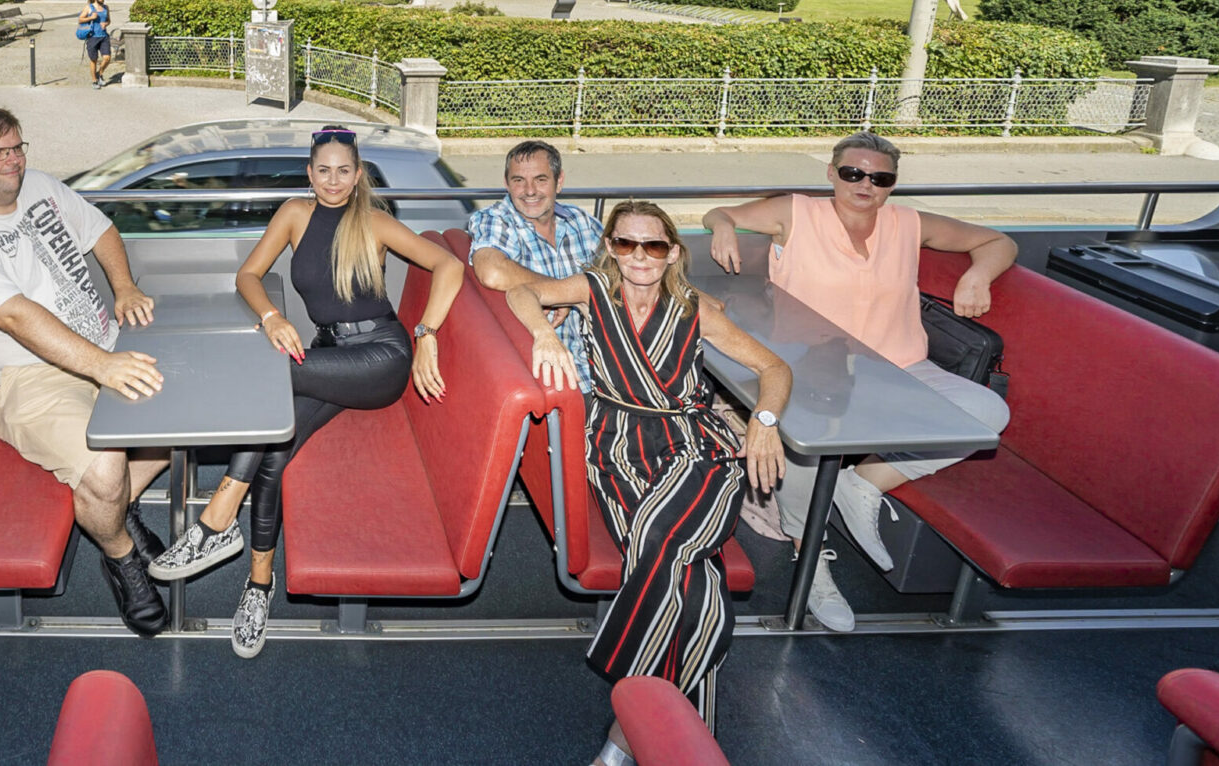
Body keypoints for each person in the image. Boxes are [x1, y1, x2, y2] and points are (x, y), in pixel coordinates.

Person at [145, 126, 464, 659]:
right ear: (309, 172)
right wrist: (271, 317)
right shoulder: (294, 213)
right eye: (323, 170)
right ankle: (259, 584)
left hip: (380, 360)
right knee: (276, 444)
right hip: (327, 356)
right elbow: (248, 275)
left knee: (268, 380)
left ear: (357, 175)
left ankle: (217, 518)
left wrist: (426, 335)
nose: (333, 180)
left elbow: (449, 264)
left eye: (344, 170)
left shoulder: (375, 222)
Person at [504, 201, 790, 764]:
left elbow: (775, 369)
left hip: (696, 448)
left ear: (673, 252)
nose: (640, 257)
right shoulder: (591, 292)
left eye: (654, 246)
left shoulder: (694, 310)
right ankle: (655, 739)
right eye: (626, 244)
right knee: (701, 596)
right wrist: (543, 333)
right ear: (609, 247)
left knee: (660, 542)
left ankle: (623, 703)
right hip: (617, 452)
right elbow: (520, 293)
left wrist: (764, 421)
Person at [702, 131, 1015, 632]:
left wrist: (976, 277)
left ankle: (862, 483)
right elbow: (722, 215)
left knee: (987, 414)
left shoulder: (908, 224)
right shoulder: (797, 213)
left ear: (892, 185)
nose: (864, 184)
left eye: (880, 177)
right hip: (809, 364)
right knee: (803, 449)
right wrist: (722, 228)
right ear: (831, 173)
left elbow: (997, 240)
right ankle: (812, 560)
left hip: (898, 367)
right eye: (852, 173)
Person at [0, 104, 173, 637]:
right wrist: (103, 365)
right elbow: (16, 317)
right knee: (106, 471)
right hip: (21, 376)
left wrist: (124, 286)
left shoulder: (38, 186)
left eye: (16, 147)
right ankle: (121, 553)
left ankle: (114, 512)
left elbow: (101, 228)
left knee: (181, 422)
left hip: (93, 347)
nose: (11, 161)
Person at [469, 139, 605, 395]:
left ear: (559, 181)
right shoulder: (495, 219)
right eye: (519, 180)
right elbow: (492, 271)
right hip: (554, 379)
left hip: (603, 367)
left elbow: (623, 268)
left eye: (541, 179)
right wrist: (564, 293)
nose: (529, 190)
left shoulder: (581, 221)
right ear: (506, 183)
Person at [77, 0, 113, 89]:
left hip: (104, 36)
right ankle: (94, 81)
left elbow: (109, 20)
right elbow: (80, 19)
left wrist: (106, 23)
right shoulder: (89, 7)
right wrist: (91, 18)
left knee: (107, 58)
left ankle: (100, 73)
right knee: (94, 60)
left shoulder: (106, 7)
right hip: (92, 37)